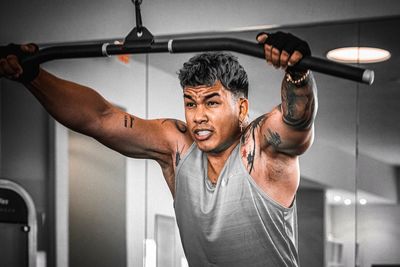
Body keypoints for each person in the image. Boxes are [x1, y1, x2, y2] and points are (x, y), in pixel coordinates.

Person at [0, 31, 317, 266]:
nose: (198, 116)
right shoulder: (176, 146)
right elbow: (99, 118)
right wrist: (31, 74)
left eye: (212, 102)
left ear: (242, 107)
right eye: (190, 103)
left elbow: (297, 121)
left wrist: (298, 73)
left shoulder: (262, 148)